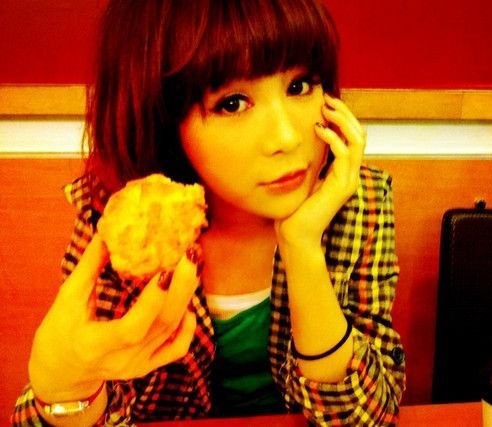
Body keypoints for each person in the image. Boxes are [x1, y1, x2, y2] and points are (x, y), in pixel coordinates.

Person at [11, 0, 406, 425]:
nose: (286, 138)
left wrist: (302, 247)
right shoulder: (131, 228)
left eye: (299, 86)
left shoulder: (355, 200)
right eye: (233, 103)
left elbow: (369, 416)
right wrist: (65, 389)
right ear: (163, 118)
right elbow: (89, 395)